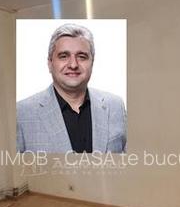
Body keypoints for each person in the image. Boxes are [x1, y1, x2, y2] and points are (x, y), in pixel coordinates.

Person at [17, 23, 127, 153]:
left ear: (92, 62)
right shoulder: (21, 114)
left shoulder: (116, 106)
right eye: (64, 56)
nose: (73, 65)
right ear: (50, 63)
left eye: (82, 57)